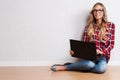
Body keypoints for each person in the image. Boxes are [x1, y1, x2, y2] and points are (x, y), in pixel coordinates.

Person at [50, 2, 115, 74]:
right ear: (93, 12)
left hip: (103, 57)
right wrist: (75, 52)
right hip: (90, 57)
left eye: (100, 10)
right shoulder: (88, 27)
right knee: (89, 64)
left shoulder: (111, 25)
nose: (97, 12)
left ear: (103, 12)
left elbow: (111, 45)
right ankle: (66, 67)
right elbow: (84, 45)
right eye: (95, 10)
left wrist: (102, 51)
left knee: (100, 69)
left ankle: (74, 66)